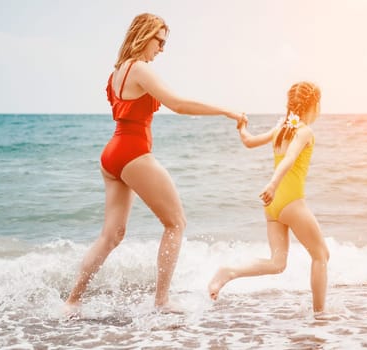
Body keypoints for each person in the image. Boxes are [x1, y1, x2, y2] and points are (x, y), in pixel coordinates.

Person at [64, 13, 245, 316]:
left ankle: (72, 301)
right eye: (159, 40)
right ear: (143, 35)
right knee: (176, 223)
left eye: (164, 42)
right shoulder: (140, 69)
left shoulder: (117, 72)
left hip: (112, 155)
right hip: (133, 152)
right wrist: (226, 110)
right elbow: (179, 105)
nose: (162, 48)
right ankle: (161, 301)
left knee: (111, 236)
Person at [207, 81, 330, 314]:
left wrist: (242, 126)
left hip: (273, 206)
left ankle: (229, 272)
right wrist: (273, 184)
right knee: (321, 255)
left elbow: (249, 141)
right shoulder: (304, 131)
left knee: (277, 263)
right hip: (291, 202)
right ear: (312, 105)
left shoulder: (281, 129)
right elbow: (290, 158)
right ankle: (319, 315)